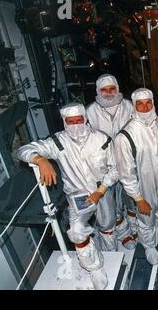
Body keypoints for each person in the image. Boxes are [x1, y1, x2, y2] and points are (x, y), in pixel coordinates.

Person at [17, 103, 119, 289]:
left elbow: (114, 169)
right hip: (78, 195)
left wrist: (100, 191)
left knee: (107, 225)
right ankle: (94, 267)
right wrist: (39, 159)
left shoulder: (102, 139)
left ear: (85, 119)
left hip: (102, 190)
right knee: (77, 231)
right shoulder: (58, 142)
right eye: (70, 122)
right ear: (64, 122)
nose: (75, 125)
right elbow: (23, 150)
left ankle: (110, 251)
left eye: (78, 120)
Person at [113, 88, 158, 265]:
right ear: (134, 106)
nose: (145, 107)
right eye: (140, 104)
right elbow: (126, 173)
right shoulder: (125, 136)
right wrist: (138, 198)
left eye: (148, 102)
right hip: (143, 186)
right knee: (146, 219)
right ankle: (149, 246)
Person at [86, 74, 137, 249]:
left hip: (128, 162)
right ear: (98, 91)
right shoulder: (90, 111)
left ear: (117, 88)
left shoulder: (129, 106)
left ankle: (134, 230)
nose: (108, 93)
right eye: (104, 90)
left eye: (112, 89)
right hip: (104, 166)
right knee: (110, 204)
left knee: (130, 198)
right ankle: (122, 233)